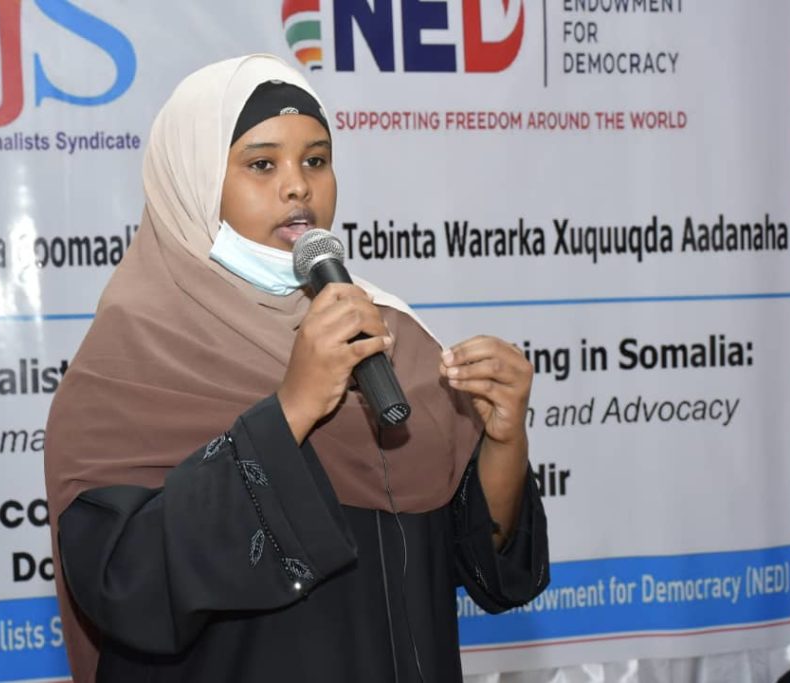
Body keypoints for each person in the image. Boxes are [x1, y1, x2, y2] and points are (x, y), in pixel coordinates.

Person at [44, 54, 549, 683]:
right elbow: (124, 584)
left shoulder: (394, 337)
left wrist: (503, 443)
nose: (298, 187)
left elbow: (483, 571)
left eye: (315, 160)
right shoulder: (131, 360)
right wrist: (291, 409)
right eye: (262, 164)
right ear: (194, 183)